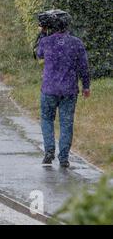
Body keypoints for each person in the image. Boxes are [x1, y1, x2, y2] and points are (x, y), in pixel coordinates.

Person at [36, 10, 90, 168]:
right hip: (69, 90)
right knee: (66, 123)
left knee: (47, 119)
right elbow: (84, 67)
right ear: (68, 25)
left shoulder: (46, 42)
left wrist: (42, 34)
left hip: (49, 89)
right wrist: (86, 86)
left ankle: (49, 150)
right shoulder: (76, 43)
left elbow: (39, 55)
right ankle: (64, 157)